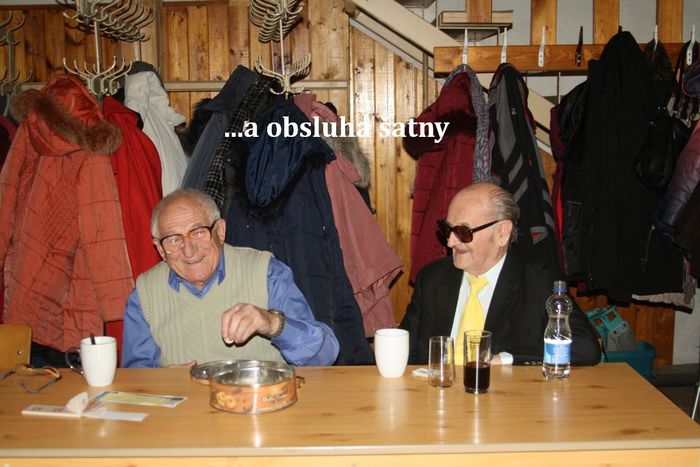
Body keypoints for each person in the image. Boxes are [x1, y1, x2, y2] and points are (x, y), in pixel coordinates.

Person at [122, 189, 339, 367]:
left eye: (199, 232)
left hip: (260, 403)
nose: (188, 250)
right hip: (185, 407)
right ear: (160, 248)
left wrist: (272, 323)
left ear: (220, 231)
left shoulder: (266, 273)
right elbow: (136, 379)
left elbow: (324, 356)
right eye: (173, 239)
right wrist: (163, 381)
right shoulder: (144, 294)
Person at [400, 182, 601, 365]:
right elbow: (402, 349)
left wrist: (507, 358)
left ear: (502, 233)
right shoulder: (432, 279)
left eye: (463, 232)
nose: (450, 241)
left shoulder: (538, 282)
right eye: (447, 229)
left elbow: (585, 348)